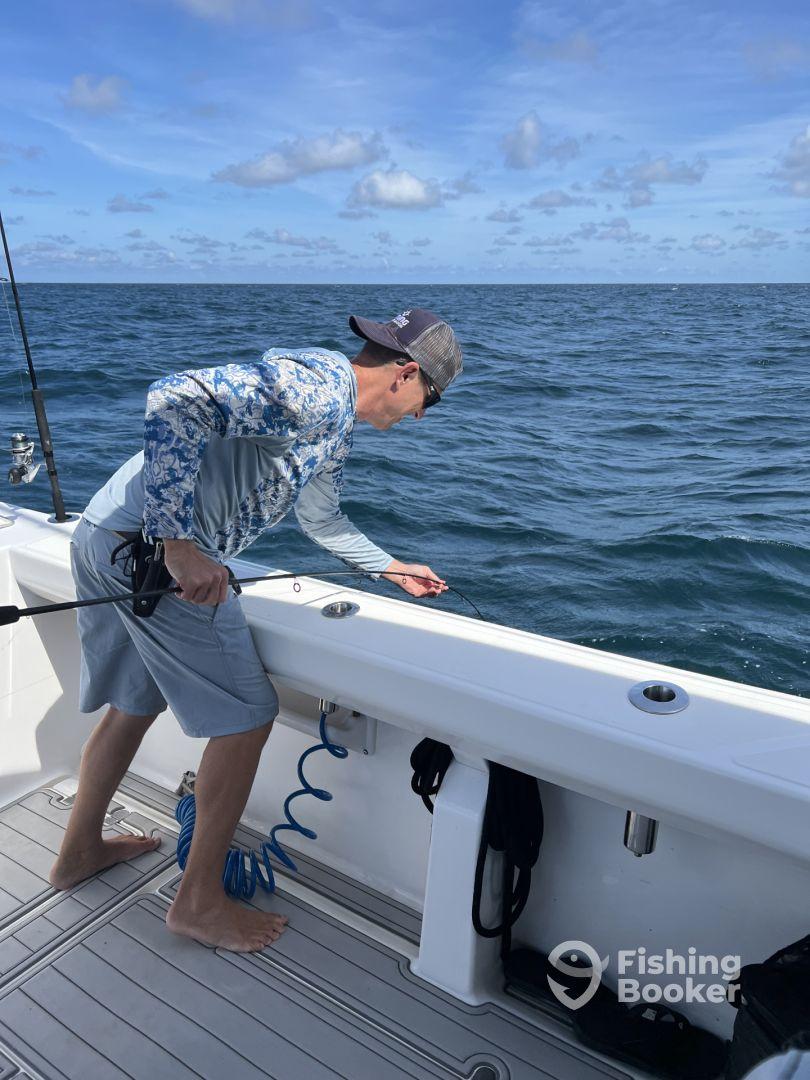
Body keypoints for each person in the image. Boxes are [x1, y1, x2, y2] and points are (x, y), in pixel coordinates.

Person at [49, 307, 463, 953]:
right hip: (152, 556)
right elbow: (175, 398)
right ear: (407, 374)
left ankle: (77, 853)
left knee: (133, 703)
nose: (419, 419)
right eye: (429, 403)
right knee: (246, 717)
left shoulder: (335, 426)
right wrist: (180, 545)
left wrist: (389, 568)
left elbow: (322, 519)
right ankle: (197, 902)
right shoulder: (318, 390)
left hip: (107, 534)